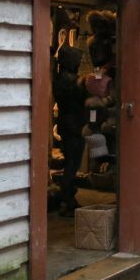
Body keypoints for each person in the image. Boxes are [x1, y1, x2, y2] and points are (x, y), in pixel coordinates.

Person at [52, 45, 88, 217]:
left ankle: (67, 198)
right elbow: (82, 98)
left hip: (65, 124)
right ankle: (66, 199)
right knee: (72, 164)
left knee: (70, 163)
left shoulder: (59, 79)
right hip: (75, 126)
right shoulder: (73, 81)